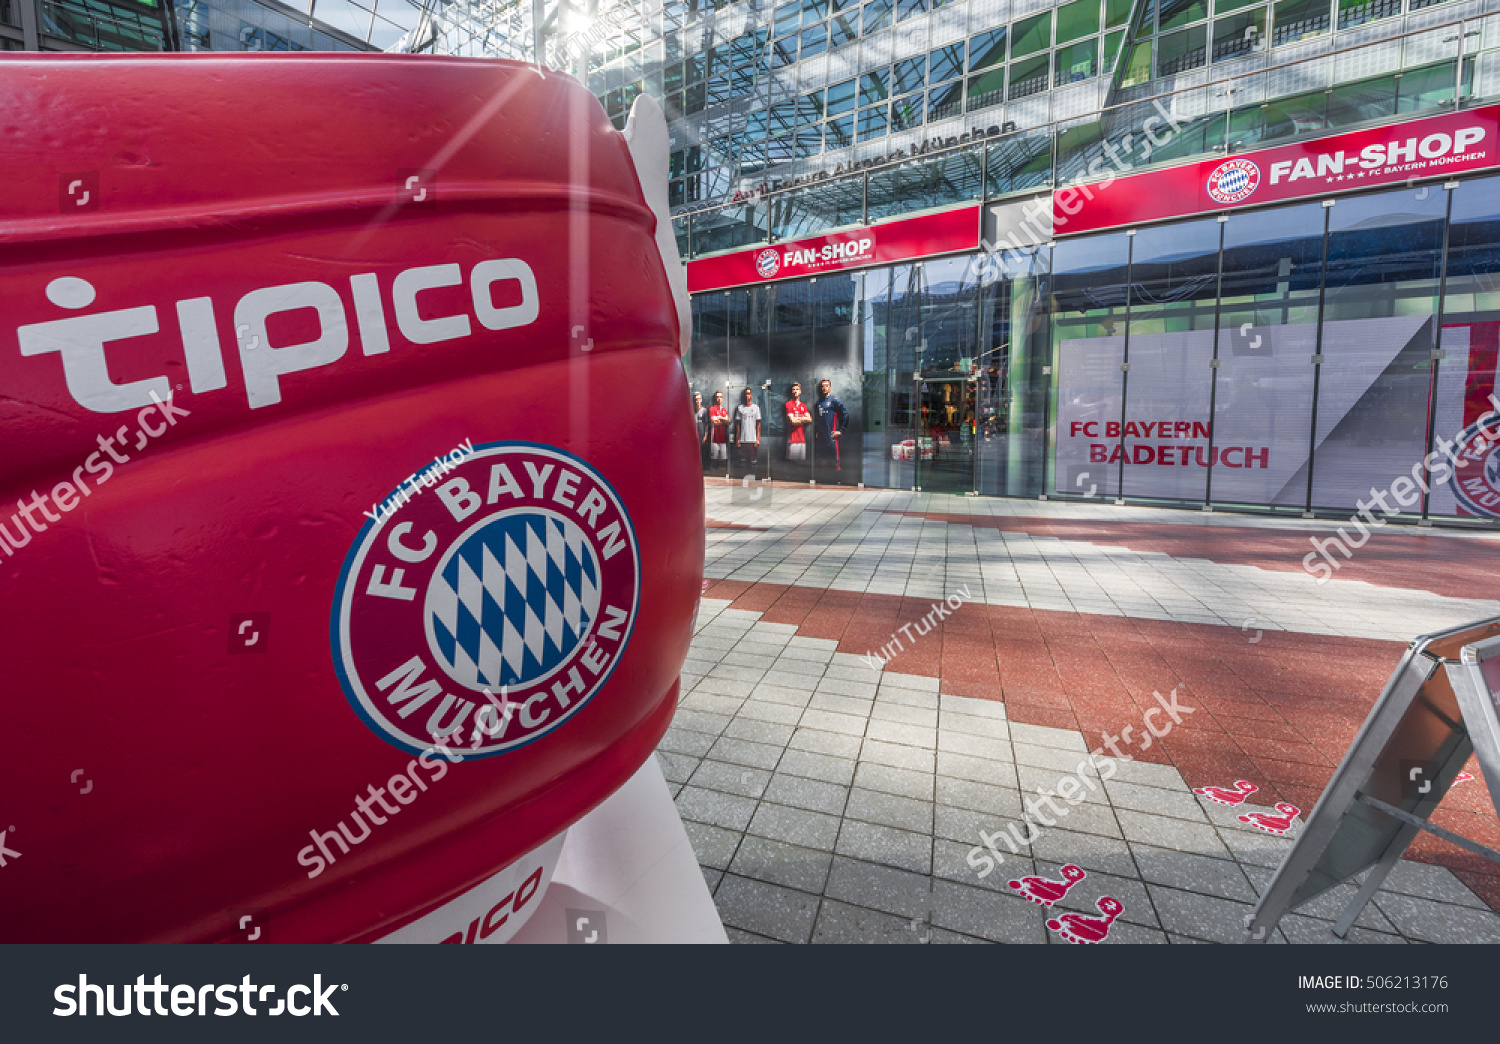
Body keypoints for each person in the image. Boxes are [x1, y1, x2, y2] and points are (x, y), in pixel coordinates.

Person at [814, 378, 849, 472]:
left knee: (835, 463)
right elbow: (817, 419)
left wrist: (841, 430)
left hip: (831, 437)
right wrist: (817, 431)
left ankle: (836, 482)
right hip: (822, 438)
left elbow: (845, 414)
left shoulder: (834, 400)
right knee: (823, 463)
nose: (824, 388)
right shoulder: (818, 403)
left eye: (826, 386)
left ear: (830, 387)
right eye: (822, 386)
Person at [733, 386, 761, 470]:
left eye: (749, 394)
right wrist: (738, 439)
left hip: (752, 439)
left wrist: (758, 439)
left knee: (753, 462)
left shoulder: (756, 408)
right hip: (743, 439)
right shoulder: (740, 408)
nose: (747, 396)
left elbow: (758, 424)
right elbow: (737, 425)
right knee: (743, 461)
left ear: (751, 395)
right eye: (746, 394)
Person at [784, 382, 811, 461]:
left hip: (802, 440)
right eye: (793, 389)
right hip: (792, 440)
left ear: (800, 391)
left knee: (801, 465)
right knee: (792, 465)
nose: (795, 391)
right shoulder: (789, 404)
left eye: (797, 389)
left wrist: (797, 418)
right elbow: (793, 421)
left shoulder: (803, 405)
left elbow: (809, 419)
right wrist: (803, 418)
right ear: (792, 392)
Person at [707, 390, 729, 462]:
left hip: (723, 439)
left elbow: (728, 420)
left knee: (723, 460)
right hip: (714, 439)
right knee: (714, 460)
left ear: (722, 398)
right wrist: (723, 419)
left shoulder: (724, 410)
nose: (719, 399)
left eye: (721, 397)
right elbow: (713, 420)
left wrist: (719, 418)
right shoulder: (712, 409)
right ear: (715, 398)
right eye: (717, 397)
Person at [692, 391, 709, 464]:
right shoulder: (692, 410)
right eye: (696, 399)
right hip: (693, 435)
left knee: (702, 452)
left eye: (699, 399)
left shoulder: (704, 411)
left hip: (702, 435)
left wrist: (705, 435)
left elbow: (706, 424)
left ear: (701, 400)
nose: (697, 401)